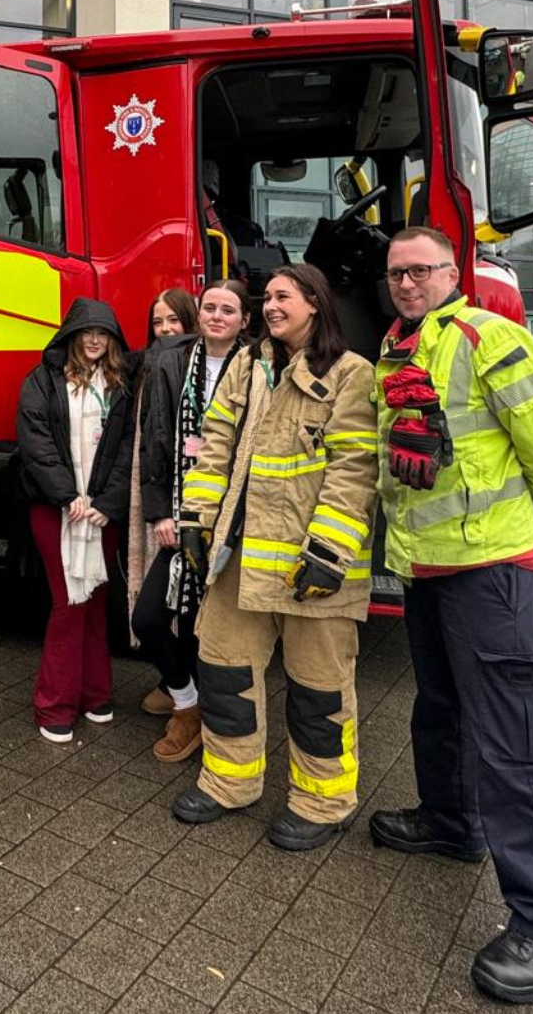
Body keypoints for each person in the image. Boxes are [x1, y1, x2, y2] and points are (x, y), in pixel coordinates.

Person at [367, 225, 533, 1005]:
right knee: (442, 708)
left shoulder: (488, 337)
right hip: (426, 571)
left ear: (449, 272)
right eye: (396, 272)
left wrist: (505, 528)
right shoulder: (397, 351)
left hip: (489, 572)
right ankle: (451, 821)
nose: (406, 282)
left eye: (419, 270)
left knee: (515, 743)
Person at [169, 264, 379, 851]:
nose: (269, 306)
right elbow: (213, 448)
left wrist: (331, 550)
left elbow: (354, 470)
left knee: (319, 690)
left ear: (315, 302)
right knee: (223, 670)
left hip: (315, 570)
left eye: (283, 297)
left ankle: (323, 802)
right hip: (238, 560)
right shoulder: (249, 364)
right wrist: (195, 521)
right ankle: (229, 783)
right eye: (266, 298)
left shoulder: (350, 374)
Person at [130, 279, 249, 763]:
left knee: (211, 626)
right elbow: (154, 437)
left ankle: (211, 717)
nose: (217, 316)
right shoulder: (169, 358)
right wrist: (160, 511)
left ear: (243, 320)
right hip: (181, 513)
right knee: (150, 618)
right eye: (209, 308)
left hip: (232, 520)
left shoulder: (259, 364)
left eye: (228, 310)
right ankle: (187, 702)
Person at [17, 298, 136, 742]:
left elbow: (128, 448)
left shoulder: (121, 384)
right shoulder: (42, 381)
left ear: (112, 340)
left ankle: (94, 693)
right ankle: (54, 706)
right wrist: (68, 497)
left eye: (102, 333)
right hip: (56, 509)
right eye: (86, 333)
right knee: (69, 602)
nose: (93, 340)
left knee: (97, 600)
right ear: (70, 337)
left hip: (101, 512)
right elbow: (35, 442)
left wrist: (108, 501)